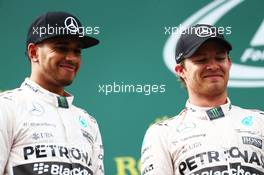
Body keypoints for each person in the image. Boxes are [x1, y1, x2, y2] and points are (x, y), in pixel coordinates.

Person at [141, 24, 264, 175]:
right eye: (201, 60)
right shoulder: (162, 134)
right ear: (181, 71)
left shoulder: (260, 122)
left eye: (220, 58)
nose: (213, 66)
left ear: (229, 64)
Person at [0, 12, 104, 175]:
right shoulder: (7, 107)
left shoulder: (88, 122)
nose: (71, 58)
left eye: (77, 51)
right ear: (33, 52)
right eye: (61, 48)